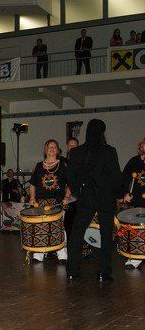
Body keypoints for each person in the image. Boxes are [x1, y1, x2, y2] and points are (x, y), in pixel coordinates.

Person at [65, 119, 122, 282]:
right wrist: (118, 193)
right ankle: (103, 272)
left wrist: (78, 192)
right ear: (102, 133)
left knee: (76, 234)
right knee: (106, 235)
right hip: (106, 198)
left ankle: (72, 271)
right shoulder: (109, 151)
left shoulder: (77, 152)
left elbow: (69, 175)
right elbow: (116, 176)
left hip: (86, 198)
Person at [28, 139, 71, 263]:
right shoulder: (38, 166)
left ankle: (62, 253)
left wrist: (67, 197)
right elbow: (32, 184)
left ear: (58, 150)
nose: (52, 149)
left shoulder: (63, 166)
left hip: (58, 202)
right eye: (49, 147)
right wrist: (32, 198)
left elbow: (71, 184)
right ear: (45, 150)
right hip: (41, 202)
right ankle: (39, 253)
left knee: (58, 226)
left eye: (54, 147)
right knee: (41, 226)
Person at [121, 137, 145, 269]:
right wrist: (126, 193)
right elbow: (124, 178)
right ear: (140, 147)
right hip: (138, 201)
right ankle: (135, 258)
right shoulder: (134, 161)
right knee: (138, 231)